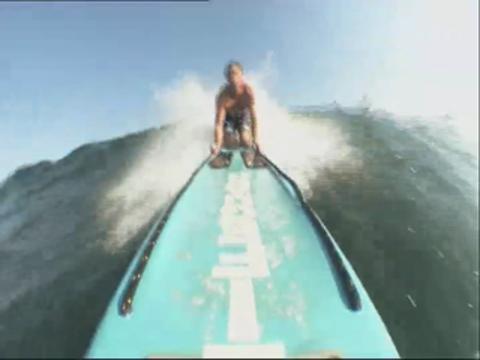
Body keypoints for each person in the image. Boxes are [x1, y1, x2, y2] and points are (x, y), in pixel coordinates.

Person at [210, 61, 260, 164]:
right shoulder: (222, 96)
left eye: (235, 73)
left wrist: (256, 139)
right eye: (229, 74)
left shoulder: (248, 92)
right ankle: (227, 154)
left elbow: (254, 118)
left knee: (245, 139)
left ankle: (248, 152)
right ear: (226, 78)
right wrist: (217, 144)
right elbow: (219, 123)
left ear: (242, 74)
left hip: (243, 114)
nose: (232, 76)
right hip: (229, 117)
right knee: (229, 139)